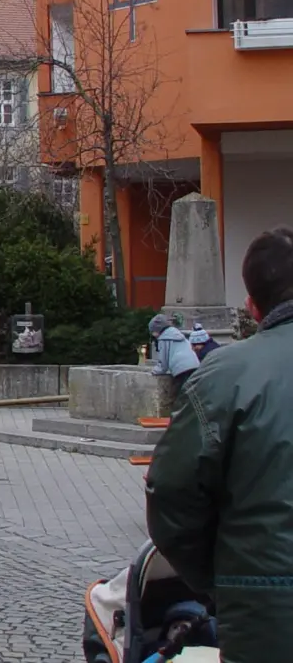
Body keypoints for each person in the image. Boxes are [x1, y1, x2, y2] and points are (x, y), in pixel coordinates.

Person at [148, 226, 293, 663]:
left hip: (265, 611)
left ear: (251, 306)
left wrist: (217, 579)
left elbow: (171, 495)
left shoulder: (223, 376)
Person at [148, 313, 200, 393]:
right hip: (194, 364)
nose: (152, 334)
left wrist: (154, 371)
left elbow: (163, 364)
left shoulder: (163, 339)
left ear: (157, 330)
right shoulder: (177, 334)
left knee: (183, 393)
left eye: (152, 331)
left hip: (181, 368)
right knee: (193, 392)